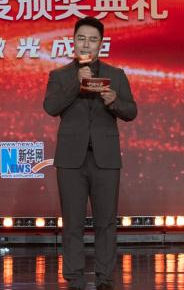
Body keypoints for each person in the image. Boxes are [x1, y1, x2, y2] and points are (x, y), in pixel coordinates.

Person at [43, 16, 137, 290]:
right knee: (72, 222)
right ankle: (74, 278)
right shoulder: (59, 75)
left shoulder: (116, 75)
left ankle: (105, 278)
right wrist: (77, 82)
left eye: (93, 39)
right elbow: (51, 107)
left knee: (106, 222)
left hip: (105, 158)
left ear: (101, 44)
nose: (86, 44)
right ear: (73, 41)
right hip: (71, 159)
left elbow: (131, 111)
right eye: (81, 38)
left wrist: (114, 101)